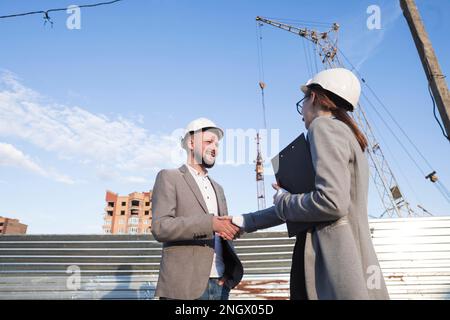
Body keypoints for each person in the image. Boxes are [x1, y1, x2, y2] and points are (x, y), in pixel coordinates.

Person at [232, 68, 390, 300]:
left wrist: (284, 199)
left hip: (332, 261)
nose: (301, 114)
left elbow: (331, 202)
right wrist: (246, 221)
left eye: (302, 103)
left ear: (313, 97)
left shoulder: (323, 127)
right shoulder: (348, 135)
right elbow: (308, 205)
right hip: (352, 261)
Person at [151, 117, 243, 300]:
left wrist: (230, 231)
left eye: (217, 144)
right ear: (191, 143)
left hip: (220, 284)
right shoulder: (169, 177)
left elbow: (220, 231)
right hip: (184, 287)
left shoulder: (218, 188)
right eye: (209, 141)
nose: (215, 148)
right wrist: (210, 223)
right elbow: (160, 227)